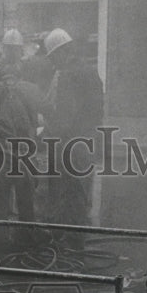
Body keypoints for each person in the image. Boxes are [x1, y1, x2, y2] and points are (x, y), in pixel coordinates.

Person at [0, 54, 45, 252]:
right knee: (26, 205)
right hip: (24, 157)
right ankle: (27, 244)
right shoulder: (33, 90)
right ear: (19, 72)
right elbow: (48, 119)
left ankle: (1, 246)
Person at [42, 27, 104, 231]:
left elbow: (64, 116)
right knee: (82, 189)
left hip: (71, 143)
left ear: (61, 52)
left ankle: (68, 241)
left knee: (67, 191)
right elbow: (97, 109)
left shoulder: (67, 74)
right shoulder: (89, 69)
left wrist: (48, 132)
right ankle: (79, 235)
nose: (52, 62)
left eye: (52, 57)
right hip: (89, 139)